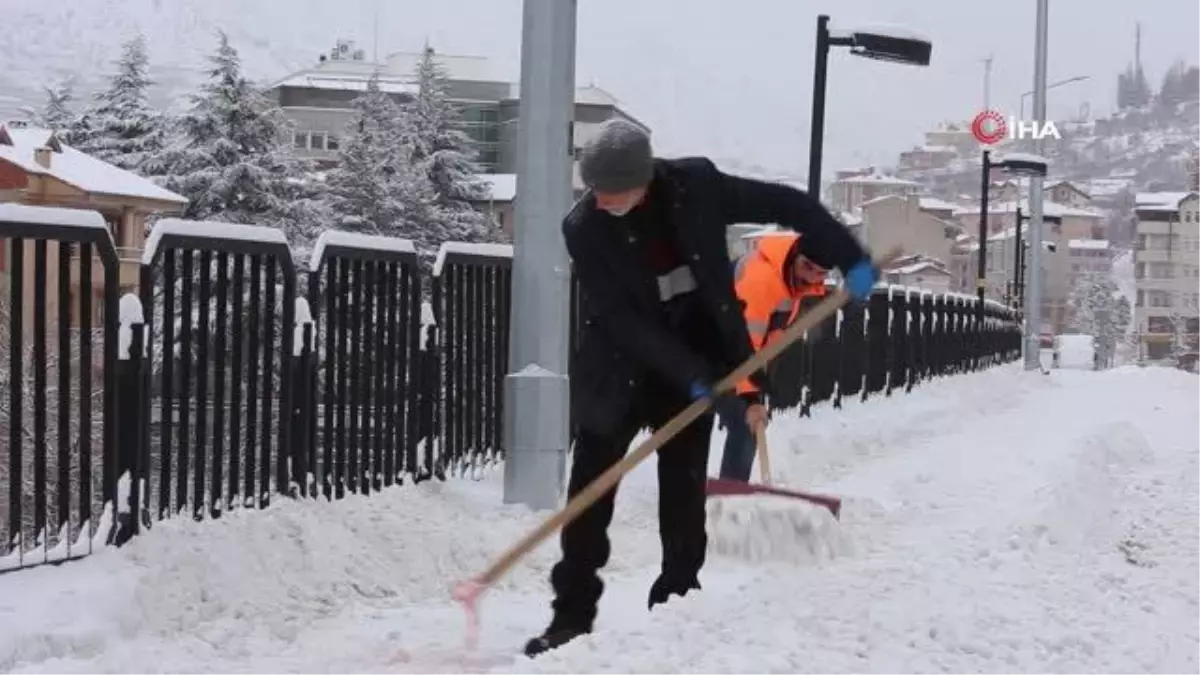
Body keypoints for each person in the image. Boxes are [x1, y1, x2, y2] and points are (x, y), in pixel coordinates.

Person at [524, 118, 880, 658]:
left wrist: (851, 258)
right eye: (594, 191)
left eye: (613, 192)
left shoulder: (697, 187)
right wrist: (693, 375)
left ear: (645, 179)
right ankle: (571, 616)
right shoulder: (584, 228)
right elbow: (621, 318)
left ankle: (676, 602)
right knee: (589, 497)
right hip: (619, 368)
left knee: (684, 491)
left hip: (695, 352)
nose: (602, 201)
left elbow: (790, 205)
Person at [717, 232, 829, 482]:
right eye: (807, 267)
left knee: (747, 425)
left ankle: (727, 497)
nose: (811, 277)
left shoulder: (790, 283)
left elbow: (767, 344)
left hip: (729, 355)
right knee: (744, 424)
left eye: (820, 273)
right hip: (704, 347)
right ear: (796, 256)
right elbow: (744, 342)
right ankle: (727, 500)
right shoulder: (762, 279)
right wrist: (750, 398)